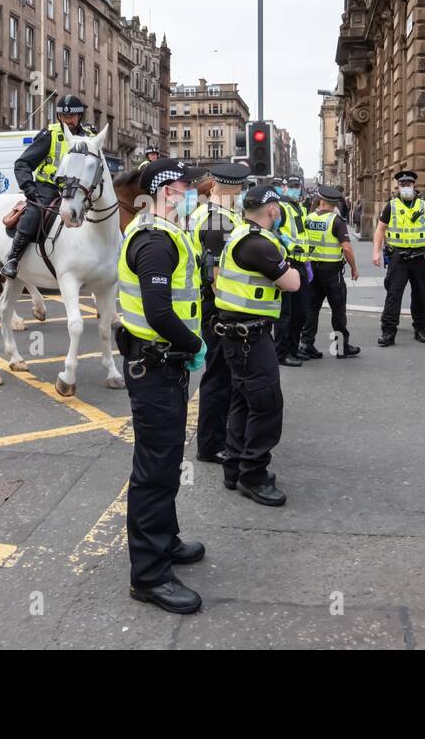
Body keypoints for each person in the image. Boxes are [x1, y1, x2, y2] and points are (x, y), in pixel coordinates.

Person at [116, 158, 210, 615]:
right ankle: (149, 576)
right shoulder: (154, 241)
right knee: (154, 470)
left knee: (167, 460)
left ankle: (165, 540)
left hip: (163, 366)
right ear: (169, 190)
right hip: (154, 368)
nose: (196, 194)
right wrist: (194, 343)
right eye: (190, 186)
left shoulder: (165, 232)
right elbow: (158, 313)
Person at [215, 185, 302, 506]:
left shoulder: (239, 235)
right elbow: (292, 283)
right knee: (266, 405)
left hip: (237, 335)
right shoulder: (257, 244)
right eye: (278, 208)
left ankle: (234, 467)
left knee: (242, 400)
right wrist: (291, 262)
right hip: (250, 338)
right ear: (273, 211)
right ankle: (253, 475)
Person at [187, 162, 247, 464]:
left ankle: (217, 436)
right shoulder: (217, 223)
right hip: (217, 307)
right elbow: (217, 275)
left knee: (221, 373)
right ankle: (211, 445)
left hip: (209, 304)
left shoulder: (206, 213)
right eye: (240, 189)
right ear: (233, 189)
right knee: (219, 376)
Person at [1, 95, 96, 279]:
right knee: (35, 211)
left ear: (80, 116)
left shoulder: (90, 136)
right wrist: (29, 188)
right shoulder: (50, 135)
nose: (68, 120)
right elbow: (22, 163)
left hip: (81, 188)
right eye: (63, 116)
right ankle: (13, 258)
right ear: (59, 116)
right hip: (49, 187)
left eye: (72, 116)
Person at [374, 170, 425, 345]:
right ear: (398, 187)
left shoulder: (424, 205)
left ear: (414, 186)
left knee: (420, 295)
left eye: (408, 185)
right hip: (399, 257)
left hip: (420, 256)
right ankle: (388, 332)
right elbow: (380, 229)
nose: (405, 188)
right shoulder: (392, 205)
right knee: (393, 295)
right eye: (402, 185)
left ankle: (421, 328)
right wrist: (376, 252)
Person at [299, 185, 360, 359]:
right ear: (334, 204)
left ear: (321, 201)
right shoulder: (336, 221)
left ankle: (306, 345)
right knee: (338, 310)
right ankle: (341, 348)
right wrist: (354, 268)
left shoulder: (308, 218)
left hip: (313, 271)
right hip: (332, 272)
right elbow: (346, 248)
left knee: (312, 308)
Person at [274, 174, 311, 366]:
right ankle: (281, 352)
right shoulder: (282, 206)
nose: (296, 188)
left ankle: (294, 348)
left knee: (301, 311)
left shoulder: (301, 208)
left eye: (299, 185)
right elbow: (273, 230)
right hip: (288, 263)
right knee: (285, 313)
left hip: (302, 264)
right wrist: (285, 244)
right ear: (285, 188)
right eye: (292, 186)